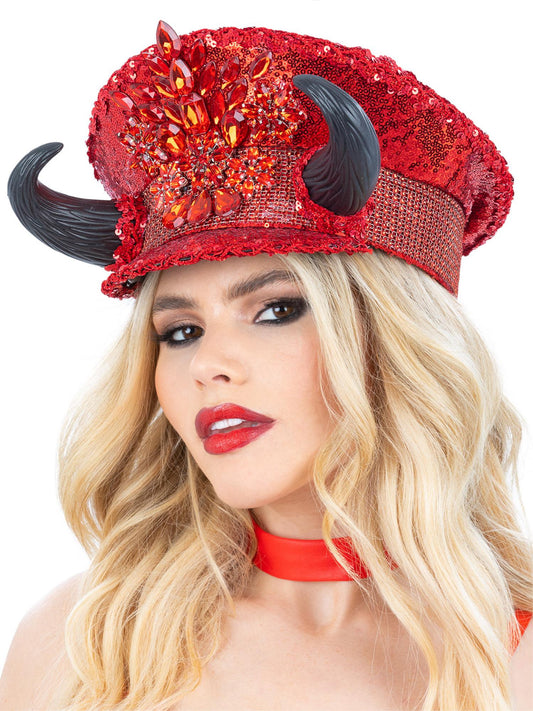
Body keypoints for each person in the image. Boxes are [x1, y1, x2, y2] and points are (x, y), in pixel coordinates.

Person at [1, 19, 532, 711]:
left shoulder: (511, 656)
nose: (208, 364)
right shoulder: (83, 644)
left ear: (394, 340)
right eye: (181, 330)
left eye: (277, 310)